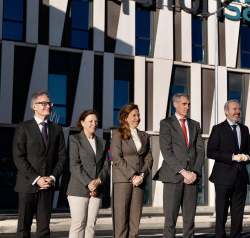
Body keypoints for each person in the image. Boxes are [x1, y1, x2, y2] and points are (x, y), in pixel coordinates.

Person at [12, 91, 67, 238]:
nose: (48, 106)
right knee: (23, 230)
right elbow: (19, 157)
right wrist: (37, 178)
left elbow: (62, 158)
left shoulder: (57, 129)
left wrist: (52, 177)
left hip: (48, 186)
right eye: (44, 103)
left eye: (49, 103)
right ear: (34, 106)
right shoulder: (23, 128)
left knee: (44, 231)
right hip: (27, 186)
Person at [153, 93, 205, 238]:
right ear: (175, 104)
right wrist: (183, 172)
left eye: (188, 104)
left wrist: (193, 172)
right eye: (184, 104)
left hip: (192, 178)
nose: (187, 107)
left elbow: (200, 151)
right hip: (173, 177)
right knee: (170, 221)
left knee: (189, 222)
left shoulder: (195, 124)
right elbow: (166, 151)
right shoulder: (166, 123)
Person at [207, 99, 250, 238]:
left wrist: (247, 156)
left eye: (239, 109)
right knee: (221, 213)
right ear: (226, 111)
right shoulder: (218, 128)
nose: (238, 112)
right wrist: (232, 157)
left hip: (241, 177)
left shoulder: (244, 129)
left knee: (238, 214)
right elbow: (211, 152)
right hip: (223, 177)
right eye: (234, 109)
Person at [110, 103, 153, 238]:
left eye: (138, 115)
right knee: (121, 220)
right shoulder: (117, 134)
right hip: (123, 180)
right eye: (134, 115)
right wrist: (132, 175)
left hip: (139, 181)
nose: (137, 118)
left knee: (135, 220)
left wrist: (141, 175)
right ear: (125, 117)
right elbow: (116, 157)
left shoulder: (144, 136)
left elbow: (149, 158)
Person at [66, 110, 110, 238]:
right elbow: (74, 164)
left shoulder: (102, 142)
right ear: (82, 122)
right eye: (90, 121)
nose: (94, 124)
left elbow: (106, 165)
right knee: (78, 223)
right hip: (78, 189)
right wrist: (89, 183)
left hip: (97, 189)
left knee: (91, 225)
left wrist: (98, 181)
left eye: (96, 121)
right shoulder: (74, 139)